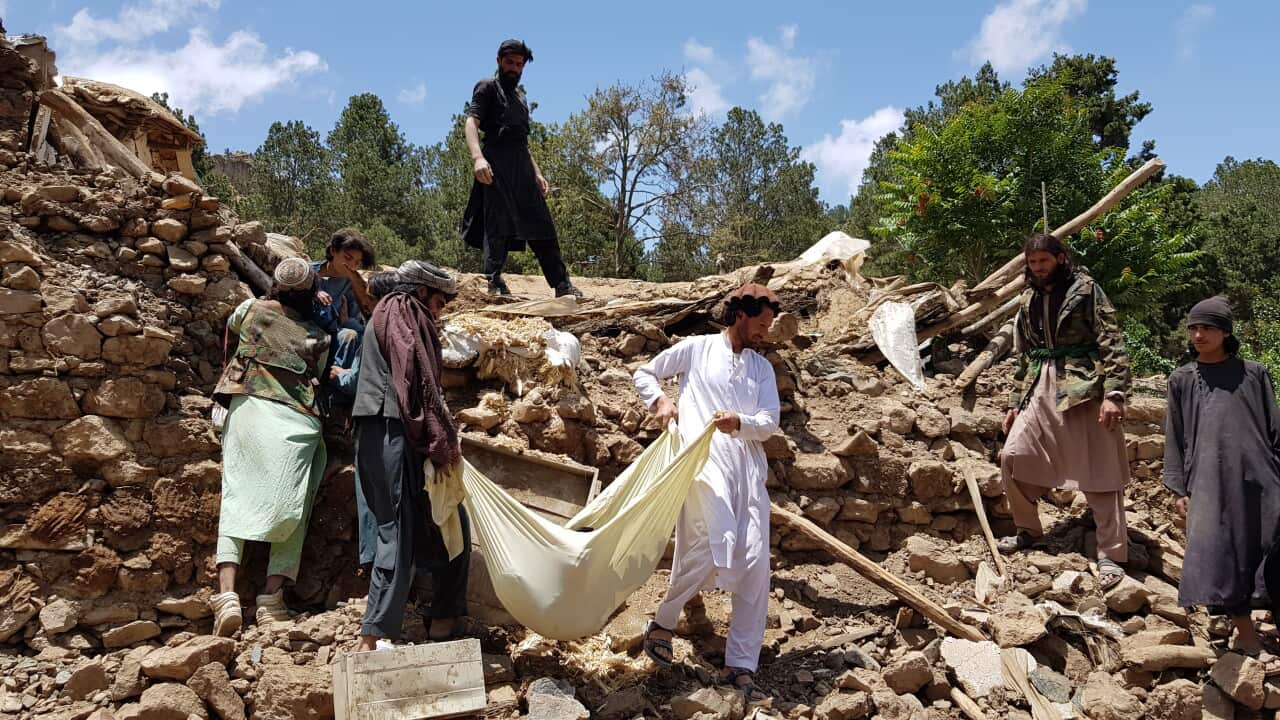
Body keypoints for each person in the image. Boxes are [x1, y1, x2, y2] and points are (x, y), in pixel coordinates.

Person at [634, 283, 782, 703]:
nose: (764, 333)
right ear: (740, 315)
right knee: (707, 548)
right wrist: (660, 403)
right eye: (761, 324)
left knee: (754, 562)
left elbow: (769, 421)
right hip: (703, 465)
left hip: (748, 472)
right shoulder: (697, 349)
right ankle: (663, 623)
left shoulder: (762, 369)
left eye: (769, 326)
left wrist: (741, 422)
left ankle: (741, 664)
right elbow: (644, 373)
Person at [996, 233, 1132, 590]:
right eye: (1032, 263)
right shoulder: (1027, 298)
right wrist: (1014, 402)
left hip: (1084, 384)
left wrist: (1114, 394)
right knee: (1012, 455)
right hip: (1039, 384)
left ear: (1059, 258)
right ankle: (1029, 531)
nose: (1038, 268)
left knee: (1099, 468)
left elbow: (1112, 340)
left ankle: (1112, 553)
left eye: (1044, 260)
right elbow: (1023, 356)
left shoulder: (1086, 290)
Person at [208, 257, 332, 636]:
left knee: (236, 495)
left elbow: (232, 328)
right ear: (312, 293)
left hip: (247, 407)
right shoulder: (317, 335)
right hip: (297, 418)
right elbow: (321, 372)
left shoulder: (250, 310)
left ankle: (227, 597)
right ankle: (271, 599)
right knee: (294, 502)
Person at [353, 260, 469, 650]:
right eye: (437, 303)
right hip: (395, 431)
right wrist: (438, 438)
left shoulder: (387, 311)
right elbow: (413, 379)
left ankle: (441, 623)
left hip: (384, 429)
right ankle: (375, 634)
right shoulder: (404, 309)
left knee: (449, 526)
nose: (437, 312)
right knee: (397, 533)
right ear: (421, 293)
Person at [1165, 297, 1280, 674]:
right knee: (1224, 553)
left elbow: (1273, 428)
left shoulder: (1254, 373)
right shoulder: (1182, 379)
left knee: (1270, 549)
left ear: (1226, 332)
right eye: (1194, 328)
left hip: (1261, 478)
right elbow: (1175, 437)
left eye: (1208, 328)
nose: (1199, 335)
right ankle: (1246, 636)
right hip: (1210, 480)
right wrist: (1179, 487)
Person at [461, 38, 582, 299]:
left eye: (519, 64)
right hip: (495, 162)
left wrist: (537, 173)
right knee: (498, 224)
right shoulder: (487, 87)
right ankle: (493, 283)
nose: (514, 68)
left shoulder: (521, 98)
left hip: (522, 167)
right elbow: (471, 123)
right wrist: (477, 158)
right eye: (509, 62)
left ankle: (562, 285)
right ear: (499, 61)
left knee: (542, 225)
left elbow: (522, 142)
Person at [330, 270, 401, 571]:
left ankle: (376, 568)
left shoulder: (377, 326)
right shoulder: (401, 326)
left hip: (373, 425)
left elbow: (357, 381)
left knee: (372, 501)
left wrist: (337, 374)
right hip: (395, 425)